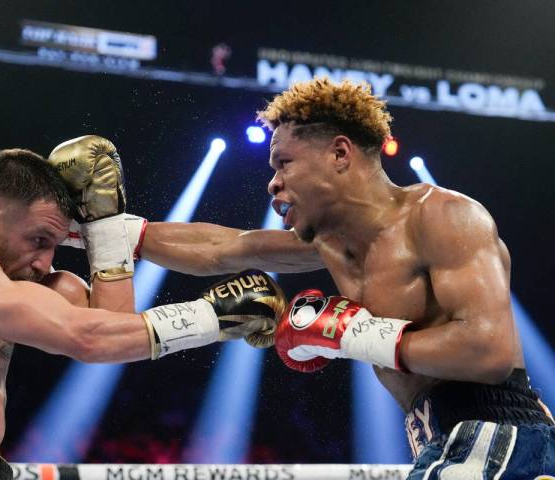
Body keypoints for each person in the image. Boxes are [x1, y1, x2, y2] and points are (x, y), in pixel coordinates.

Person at [81, 78, 554, 477]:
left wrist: (353, 335)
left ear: (340, 154)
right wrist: (107, 234)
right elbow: (224, 248)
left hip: (497, 432)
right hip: (442, 439)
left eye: (284, 163)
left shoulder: (444, 216)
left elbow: (488, 351)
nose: (273, 182)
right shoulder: (333, 243)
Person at [0, 145, 285, 480]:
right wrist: (211, 316)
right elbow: (89, 338)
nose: (46, 262)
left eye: (55, 245)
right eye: (39, 239)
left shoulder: (9, 281)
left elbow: (114, 333)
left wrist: (104, 229)